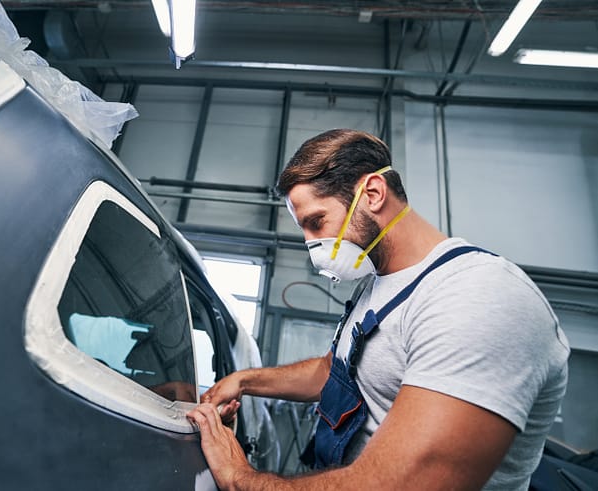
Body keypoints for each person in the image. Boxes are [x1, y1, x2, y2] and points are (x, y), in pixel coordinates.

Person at [187, 129, 570, 490]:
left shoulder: (479, 297)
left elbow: (404, 483)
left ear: (372, 194)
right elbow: (337, 370)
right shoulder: (380, 284)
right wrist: (245, 380)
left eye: (316, 222)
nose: (311, 246)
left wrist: (240, 478)